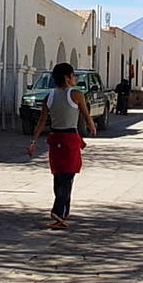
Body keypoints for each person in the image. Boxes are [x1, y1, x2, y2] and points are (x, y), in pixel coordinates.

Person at [28, 62, 96, 229]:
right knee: (68, 177)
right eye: (73, 75)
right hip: (70, 138)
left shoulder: (48, 97)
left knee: (59, 176)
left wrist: (33, 141)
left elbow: (42, 121)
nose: (75, 78)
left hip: (55, 138)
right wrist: (91, 127)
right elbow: (86, 114)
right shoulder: (76, 94)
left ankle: (63, 213)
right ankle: (58, 211)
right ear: (67, 77)